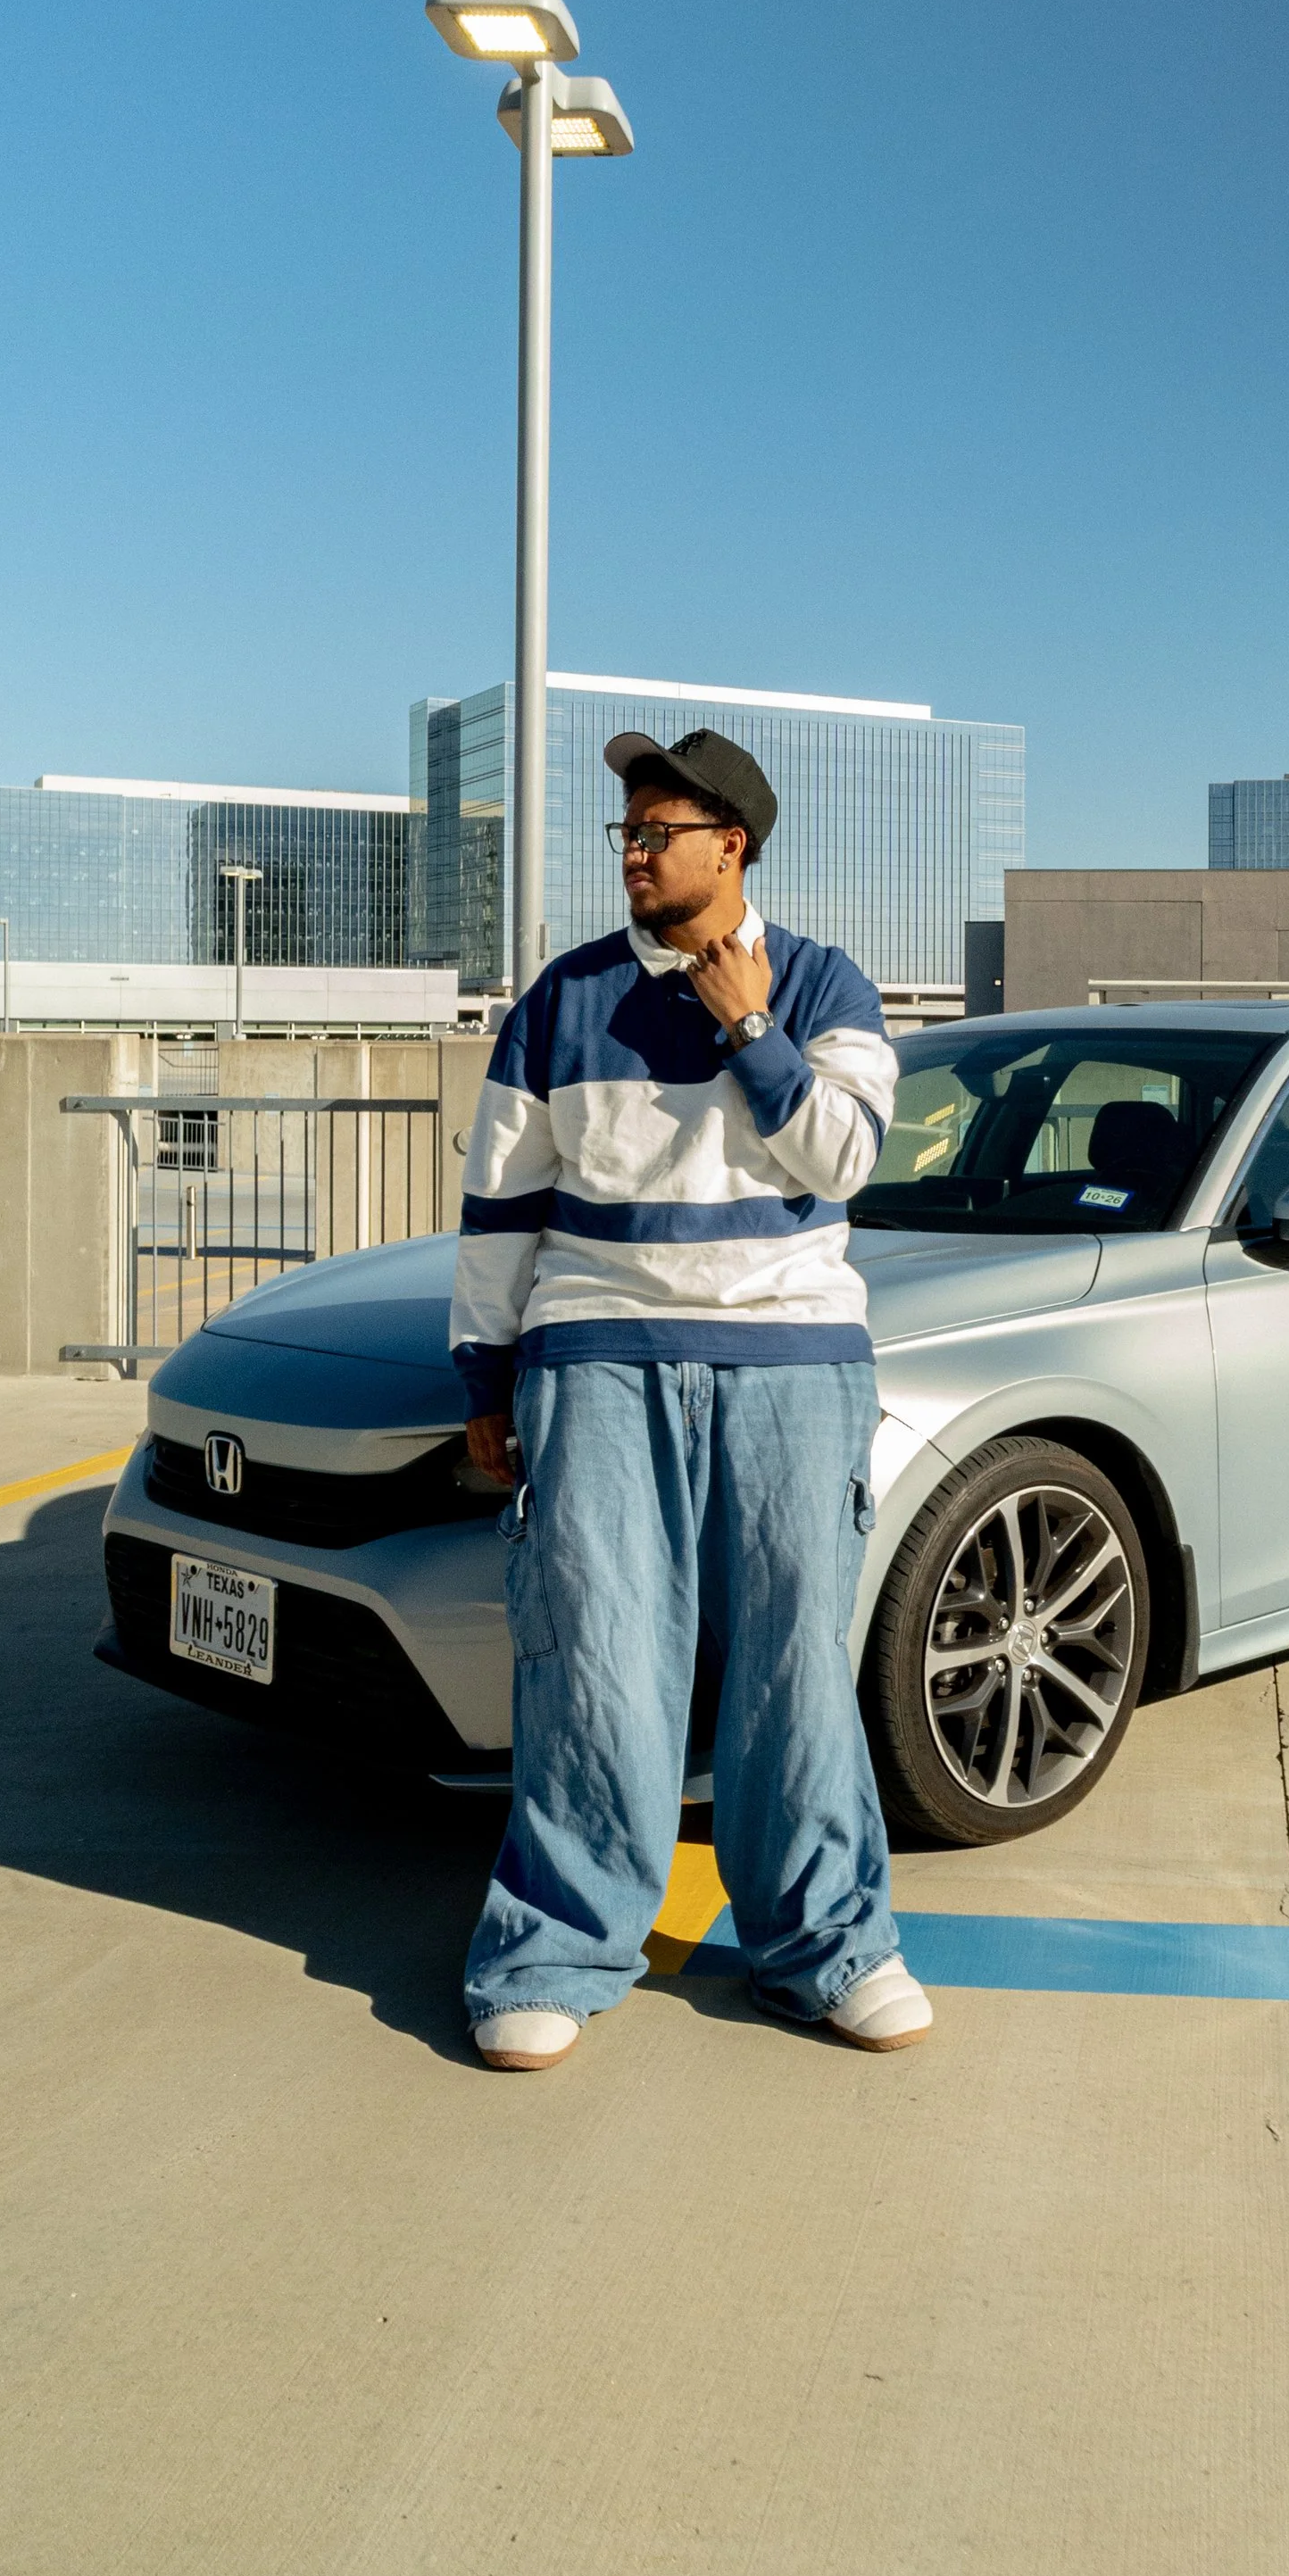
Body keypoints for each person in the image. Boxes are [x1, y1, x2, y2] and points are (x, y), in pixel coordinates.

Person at [450, 720, 933, 2069]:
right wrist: (485, 1373)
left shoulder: (831, 985)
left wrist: (752, 1026)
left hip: (792, 1365)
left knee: (794, 1664)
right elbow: (502, 1210)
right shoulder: (561, 1000)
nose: (634, 855)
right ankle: (552, 1950)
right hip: (596, 1360)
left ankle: (829, 1946)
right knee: (594, 1661)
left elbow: (840, 1156)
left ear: (734, 846)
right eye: (627, 834)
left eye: (658, 834)